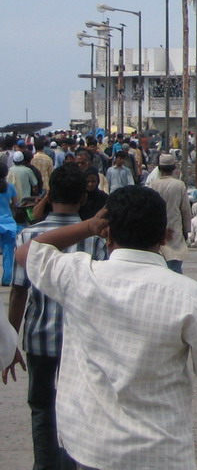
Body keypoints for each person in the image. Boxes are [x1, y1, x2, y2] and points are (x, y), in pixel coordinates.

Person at [14, 185, 197, 467]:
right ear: (164, 236)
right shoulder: (186, 294)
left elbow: (28, 252)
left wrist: (89, 226)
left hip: (92, 445)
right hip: (160, 450)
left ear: (108, 233)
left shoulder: (79, 275)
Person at [7, 165, 107, 469]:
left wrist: (10, 342)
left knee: (42, 409)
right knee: (79, 411)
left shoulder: (29, 235)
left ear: (49, 195)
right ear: (82, 197)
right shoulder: (97, 239)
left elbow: (18, 293)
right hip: (82, 346)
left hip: (40, 341)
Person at [147, 154, 191, 273]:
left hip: (157, 231)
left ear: (159, 168)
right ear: (173, 168)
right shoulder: (179, 185)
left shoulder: (153, 185)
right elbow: (186, 210)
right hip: (175, 229)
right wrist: (186, 231)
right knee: (175, 266)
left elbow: (149, 211)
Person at [0, 163, 19, 285]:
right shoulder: (10, 187)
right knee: (8, 252)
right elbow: (16, 205)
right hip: (9, 224)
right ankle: (7, 279)